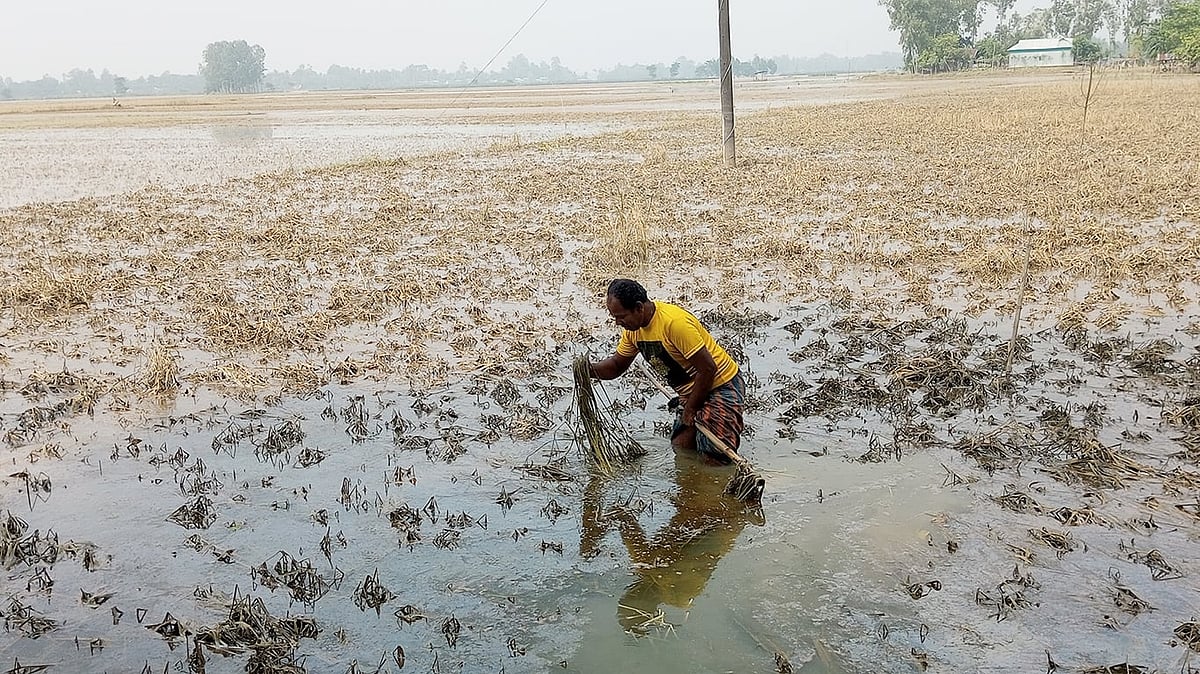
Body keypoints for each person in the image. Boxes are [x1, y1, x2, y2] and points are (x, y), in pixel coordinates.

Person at [588, 278, 745, 463]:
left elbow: (708, 368)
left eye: (621, 317)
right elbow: (616, 366)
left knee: (715, 458)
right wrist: (587, 370)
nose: (617, 322)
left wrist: (691, 409)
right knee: (682, 447)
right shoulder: (633, 331)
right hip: (693, 392)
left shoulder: (674, 324)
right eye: (614, 317)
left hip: (720, 385)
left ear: (639, 308)